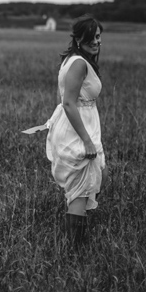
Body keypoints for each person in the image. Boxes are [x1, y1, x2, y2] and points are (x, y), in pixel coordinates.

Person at [25, 14, 107, 243]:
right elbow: (68, 103)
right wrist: (86, 141)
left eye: (98, 37)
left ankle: (80, 219)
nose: (96, 41)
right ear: (78, 39)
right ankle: (74, 248)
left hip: (82, 124)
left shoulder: (73, 59)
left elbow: (63, 99)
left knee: (99, 172)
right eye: (90, 37)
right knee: (81, 187)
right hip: (78, 128)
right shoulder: (79, 63)